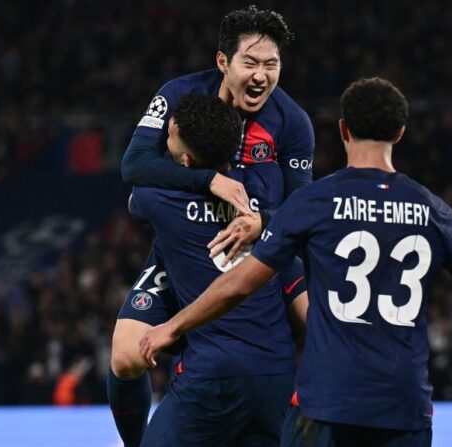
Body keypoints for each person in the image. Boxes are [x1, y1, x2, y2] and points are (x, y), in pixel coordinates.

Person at [139, 77, 452, 447]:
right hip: (405, 405)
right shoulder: (433, 210)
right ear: (400, 132)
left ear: (343, 130)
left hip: (326, 404)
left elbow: (241, 283)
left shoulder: (314, 203)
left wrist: (172, 326)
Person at [109, 5, 314, 447]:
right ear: (223, 62)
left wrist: (264, 222)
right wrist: (208, 179)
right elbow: (135, 164)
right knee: (126, 358)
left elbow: (303, 209)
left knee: (316, 326)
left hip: (263, 247)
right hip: (185, 243)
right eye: (250, 63)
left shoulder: (292, 123)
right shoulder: (179, 96)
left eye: (271, 64)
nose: (261, 75)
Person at [129, 93, 307, 446]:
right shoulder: (267, 193)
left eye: (170, 138)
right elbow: (298, 208)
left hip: (211, 377)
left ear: (185, 158)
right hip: (277, 376)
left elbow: (135, 184)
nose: (166, 138)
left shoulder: (158, 199)